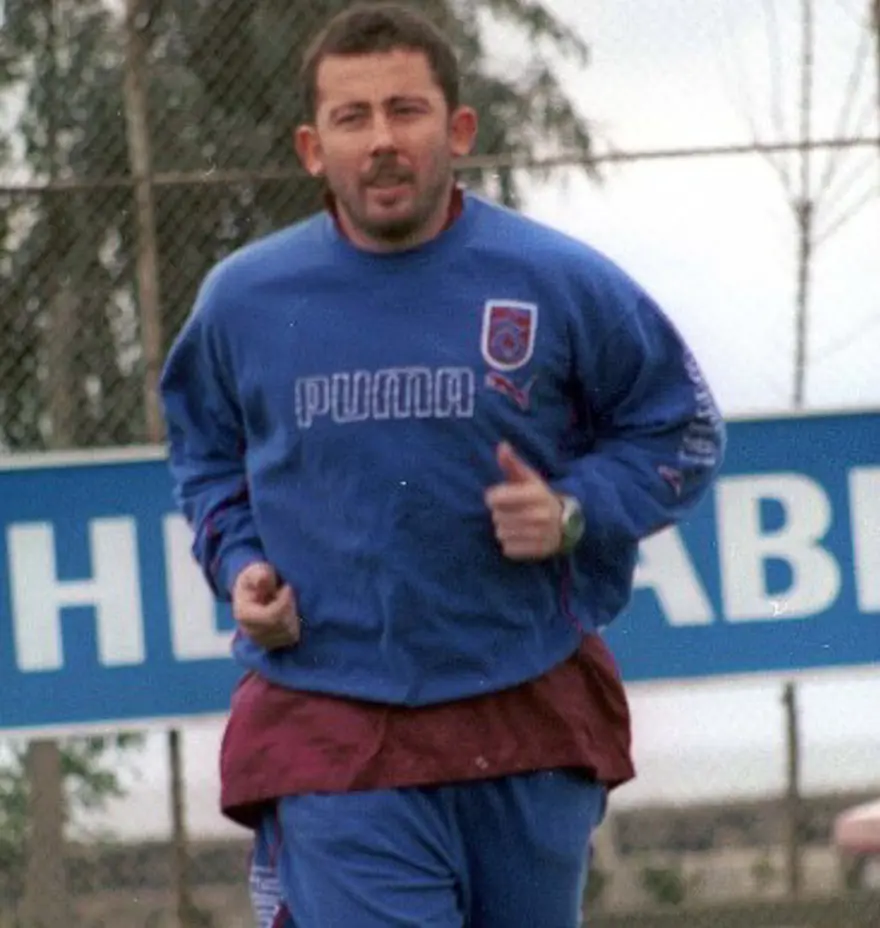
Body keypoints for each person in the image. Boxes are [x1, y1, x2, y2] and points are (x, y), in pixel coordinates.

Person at [159, 3, 726, 926]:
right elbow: (206, 457)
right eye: (353, 118)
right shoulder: (243, 302)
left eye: (406, 110)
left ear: (458, 130)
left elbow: (682, 430)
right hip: (333, 719)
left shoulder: (559, 281)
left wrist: (573, 512)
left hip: (524, 710)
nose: (382, 140)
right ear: (312, 148)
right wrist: (240, 564)